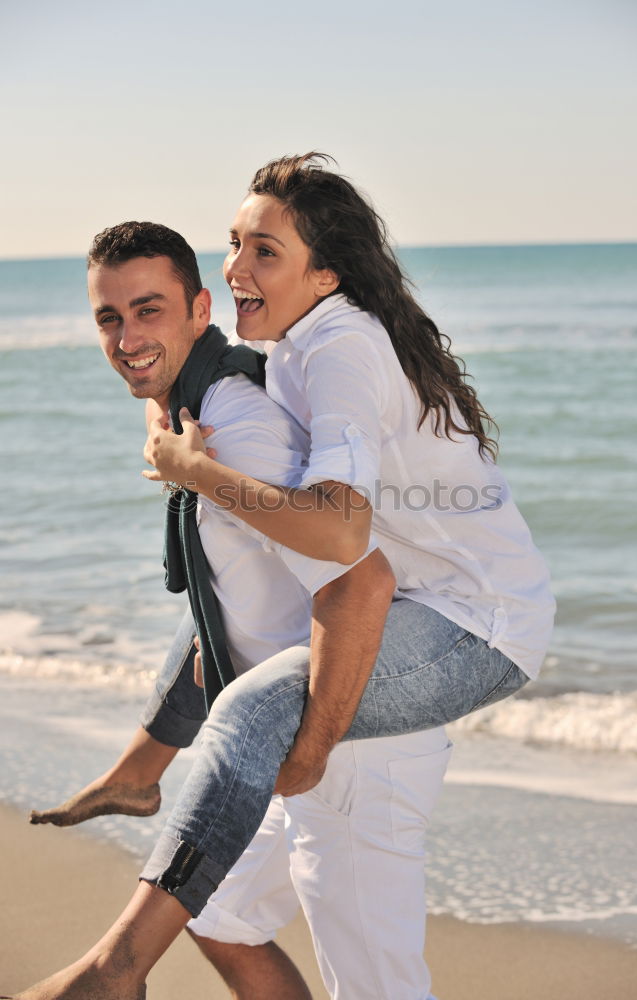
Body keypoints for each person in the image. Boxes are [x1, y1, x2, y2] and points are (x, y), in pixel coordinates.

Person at [12, 155, 554, 999]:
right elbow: (244, 584)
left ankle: (116, 970)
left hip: (471, 622)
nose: (236, 269)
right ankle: (134, 858)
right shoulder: (280, 361)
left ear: (325, 273)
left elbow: (348, 553)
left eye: (264, 251)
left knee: (257, 714)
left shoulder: (335, 351)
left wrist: (308, 748)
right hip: (391, 631)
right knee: (223, 915)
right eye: (233, 246)